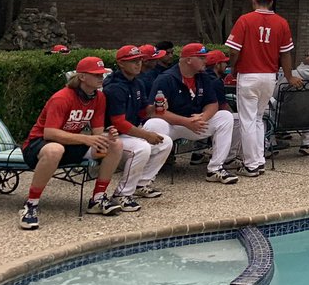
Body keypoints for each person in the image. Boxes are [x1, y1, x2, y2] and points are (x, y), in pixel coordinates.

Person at [18, 56, 125, 230]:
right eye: (96, 74)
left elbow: (97, 133)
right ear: (82, 77)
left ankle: (97, 199)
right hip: (38, 146)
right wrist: (86, 138)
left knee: (116, 145)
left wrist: (108, 136)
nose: (101, 78)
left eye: (102, 74)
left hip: (69, 145)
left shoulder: (99, 97)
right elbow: (49, 133)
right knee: (55, 149)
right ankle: (30, 205)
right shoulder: (62, 98)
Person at [225, 0, 299, 177]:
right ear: (271, 2)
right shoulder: (281, 22)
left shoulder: (245, 20)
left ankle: (250, 164)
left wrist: (232, 67)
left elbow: (234, 50)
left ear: (254, 1)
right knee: (258, 119)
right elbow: (286, 53)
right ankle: (259, 161)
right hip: (269, 76)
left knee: (248, 120)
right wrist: (289, 76)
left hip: (249, 74)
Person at [145, 43, 239, 185]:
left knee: (225, 116)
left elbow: (213, 103)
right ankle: (145, 178)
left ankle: (215, 169)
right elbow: (156, 112)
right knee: (153, 124)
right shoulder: (166, 78)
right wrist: (185, 122)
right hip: (172, 125)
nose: (205, 61)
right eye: (201, 58)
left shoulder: (203, 76)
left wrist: (203, 117)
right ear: (189, 60)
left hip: (195, 123)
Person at [103, 45, 173, 210]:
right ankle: (122, 194)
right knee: (141, 148)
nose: (138, 64)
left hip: (127, 133)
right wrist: (146, 135)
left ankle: (141, 185)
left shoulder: (137, 83)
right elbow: (118, 122)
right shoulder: (114, 87)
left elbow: (143, 111)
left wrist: (157, 107)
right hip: (110, 135)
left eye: (140, 60)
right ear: (121, 63)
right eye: (133, 61)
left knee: (166, 142)